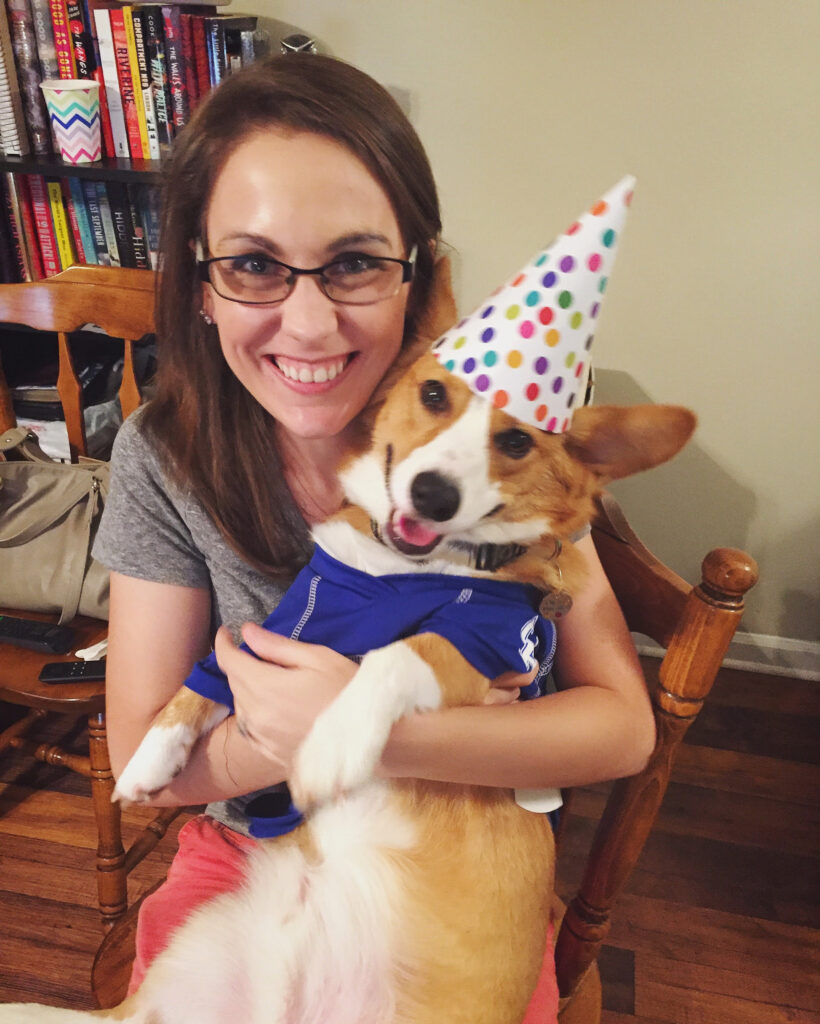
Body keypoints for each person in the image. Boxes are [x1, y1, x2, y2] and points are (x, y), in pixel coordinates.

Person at [93, 53, 655, 1021]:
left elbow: (619, 728)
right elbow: (150, 760)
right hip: (255, 848)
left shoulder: (504, 454)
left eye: (354, 261)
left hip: (456, 857)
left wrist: (380, 733)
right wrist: (288, 734)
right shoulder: (166, 457)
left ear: (421, 282)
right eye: (254, 263)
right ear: (198, 284)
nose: (307, 326)